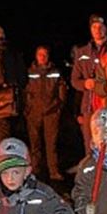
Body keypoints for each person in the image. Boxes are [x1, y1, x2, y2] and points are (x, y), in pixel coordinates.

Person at [23, 45, 67, 182]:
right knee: (34, 143)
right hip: (34, 112)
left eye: (45, 54)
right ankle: (35, 170)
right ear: (36, 56)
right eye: (40, 54)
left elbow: (62, 91)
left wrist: (59, 107)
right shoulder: (29, 72)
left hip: (51, 112)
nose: (42, 57)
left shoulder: (55, 72)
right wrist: (27, 108)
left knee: (51, 143)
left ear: (48, 56)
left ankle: (53, 171)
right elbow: (25, 91)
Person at [71, 14, 107, 158]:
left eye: (101, 27)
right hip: (89, 106)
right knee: (89, 145)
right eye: (94, 27)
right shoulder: (82, 52)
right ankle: (91, 170)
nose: (97, 30)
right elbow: (74, 80)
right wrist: (85, 83)